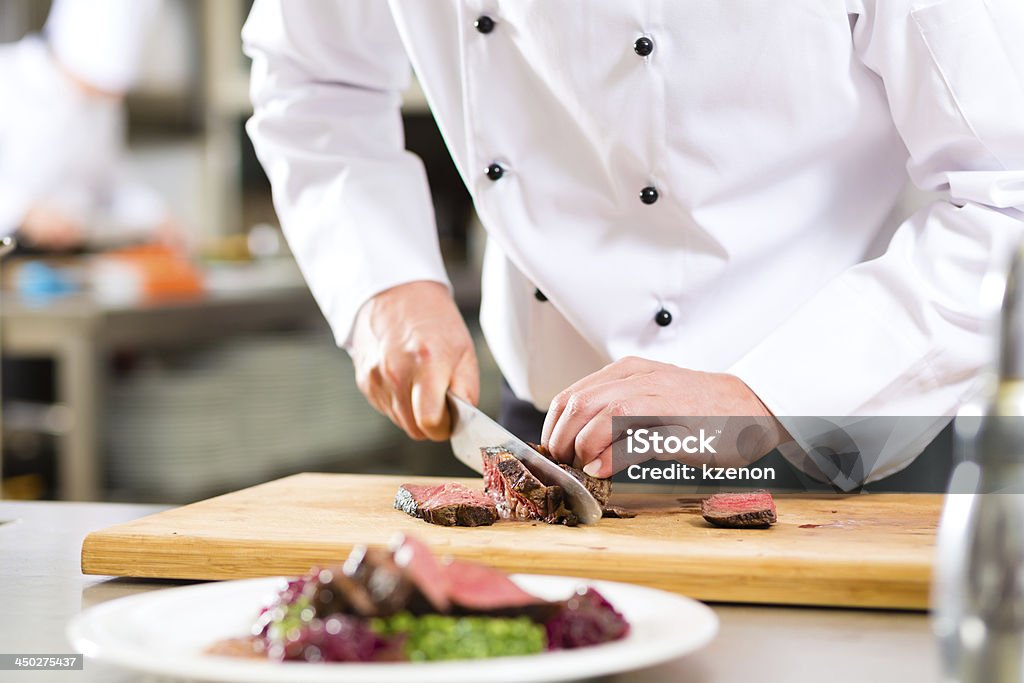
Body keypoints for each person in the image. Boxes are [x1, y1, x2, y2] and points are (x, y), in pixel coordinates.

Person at [242, 1, 1024, 486]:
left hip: (839, 422)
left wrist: (762, 397)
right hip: (547, 430)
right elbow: (314, 81)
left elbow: (1007, 194)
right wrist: (384, 279)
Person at [0, 0, 171, 252]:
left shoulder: (103, 104)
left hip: (71, 257)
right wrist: (22, 212)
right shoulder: (8, 77)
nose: (109, 97)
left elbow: (113, 182)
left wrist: (156, 217)